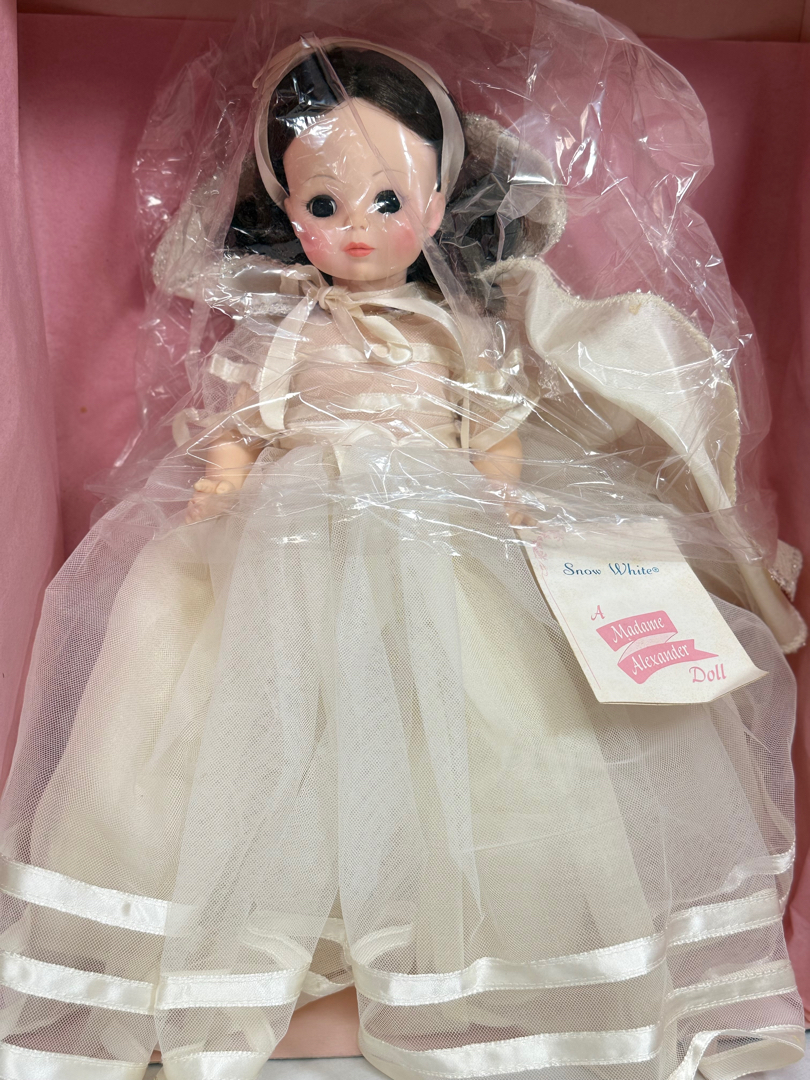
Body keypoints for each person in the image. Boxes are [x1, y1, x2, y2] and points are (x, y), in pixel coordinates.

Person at [0, 35, 803, 1080]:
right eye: (323, 203)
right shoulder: (291, 328)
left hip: (439, 532)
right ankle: (269, 975)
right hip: (290, 543)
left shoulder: (453, 330)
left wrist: (504, 496)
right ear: (285, 212)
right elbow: (245, 424)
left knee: (473, 724)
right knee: (268, 729)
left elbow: (492, 430)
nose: (357, 227)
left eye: (389, 200)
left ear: (438, 203)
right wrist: (223, 482)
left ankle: (452, 975)